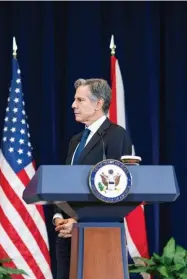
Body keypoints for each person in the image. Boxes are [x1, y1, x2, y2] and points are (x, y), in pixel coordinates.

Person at [53, 78, 133, 279]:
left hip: (99, 236)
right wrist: (59, 217)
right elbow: (65, 182)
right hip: (66, 235)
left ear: (98, 103)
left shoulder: (116, 136)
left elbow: (116, 191)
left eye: (80, 100)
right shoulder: (76, 140)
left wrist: (79, 221)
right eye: (74, 100)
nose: (73, 105)